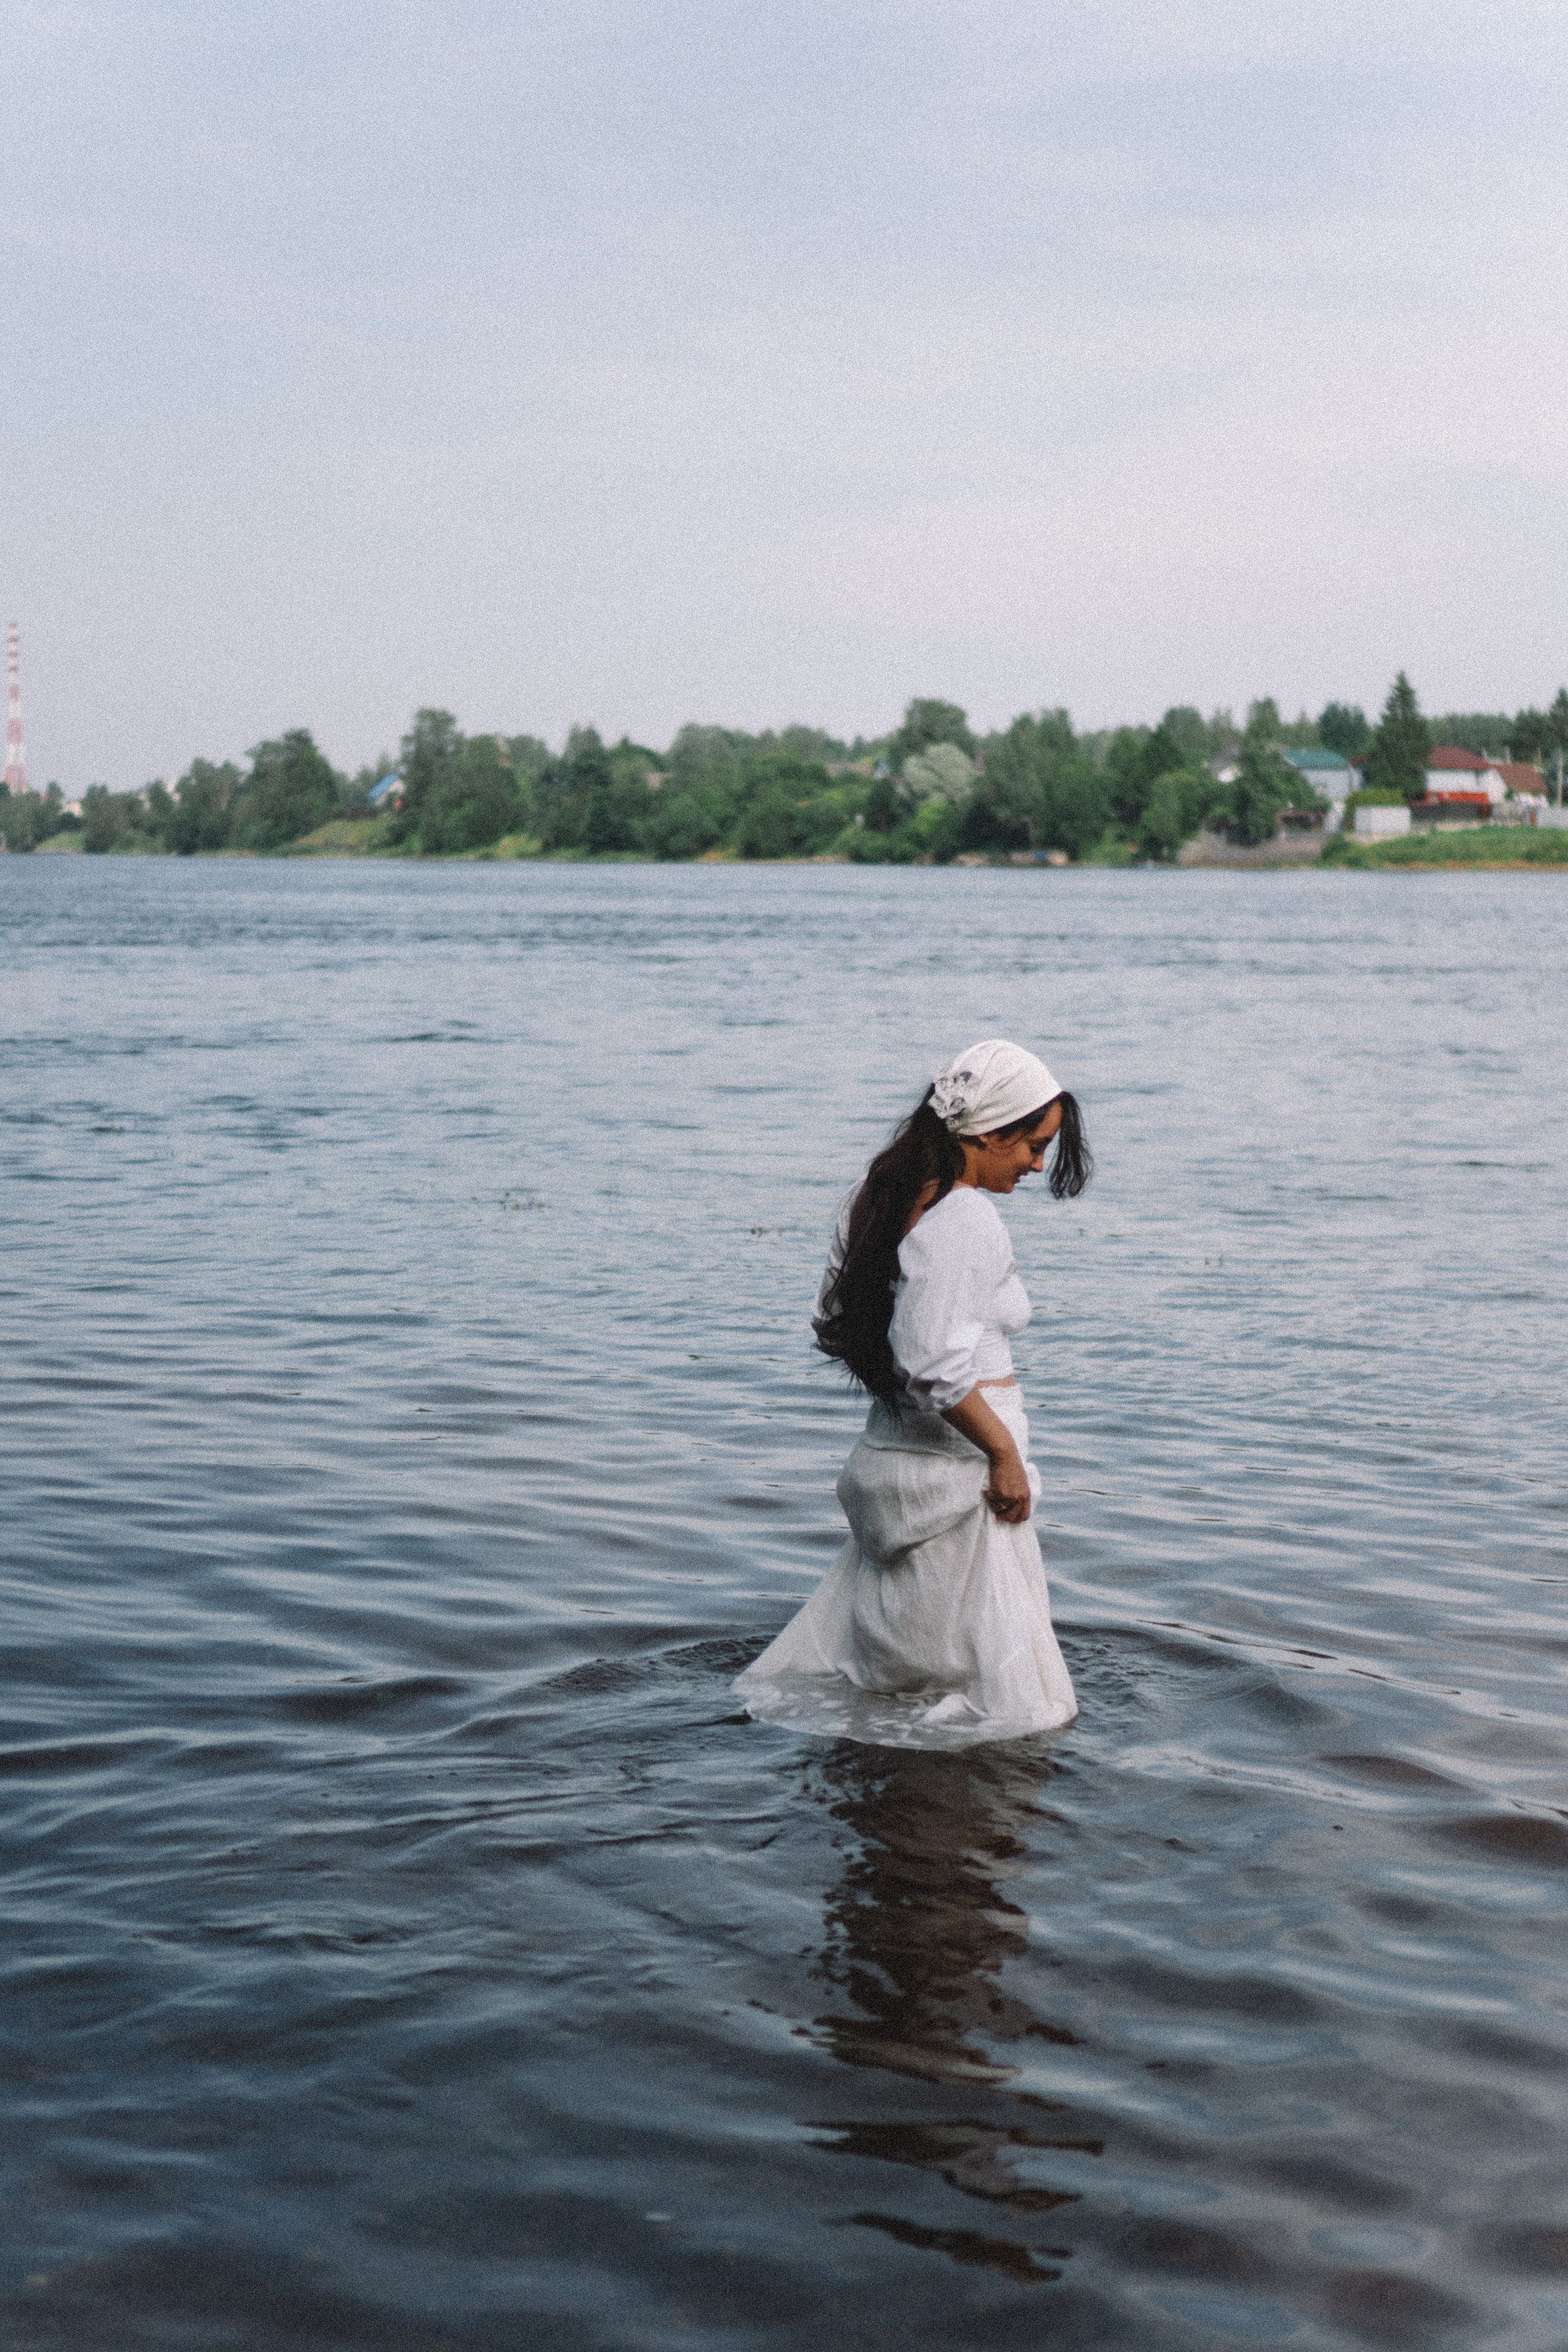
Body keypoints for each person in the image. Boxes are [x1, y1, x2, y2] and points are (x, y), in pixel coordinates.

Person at [734, 1039, 1093, 1749]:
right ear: (987, 1130)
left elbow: (832, 1324)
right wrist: (1003, 1456)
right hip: (961, 1477)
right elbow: (933, 1361)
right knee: (1001, 1703)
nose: (1035, 1164)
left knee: (898, 1666)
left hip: (891, 1459)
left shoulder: (874, 1196)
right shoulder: (965, 1219)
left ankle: (884, 1804)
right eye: (1032, 1145)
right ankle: (943, 1823)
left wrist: (904, 1398)